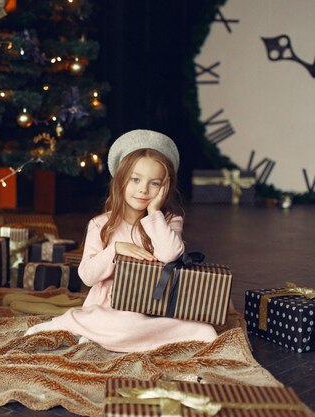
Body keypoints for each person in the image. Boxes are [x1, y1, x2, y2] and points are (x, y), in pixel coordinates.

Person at [24, 129, 217, 352]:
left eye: (154, 183)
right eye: (135, 179)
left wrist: (154, 213)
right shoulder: (100, 224)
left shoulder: (169, 221)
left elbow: (170, 254)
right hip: (110, 308)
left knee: (205, 331)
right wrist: (116, 250)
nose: (143, 189)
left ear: (165, 188)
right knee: (125, 324)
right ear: (120, 180)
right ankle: (78, 323)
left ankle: (101, 335)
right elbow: (87, 276)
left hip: (153, 308)